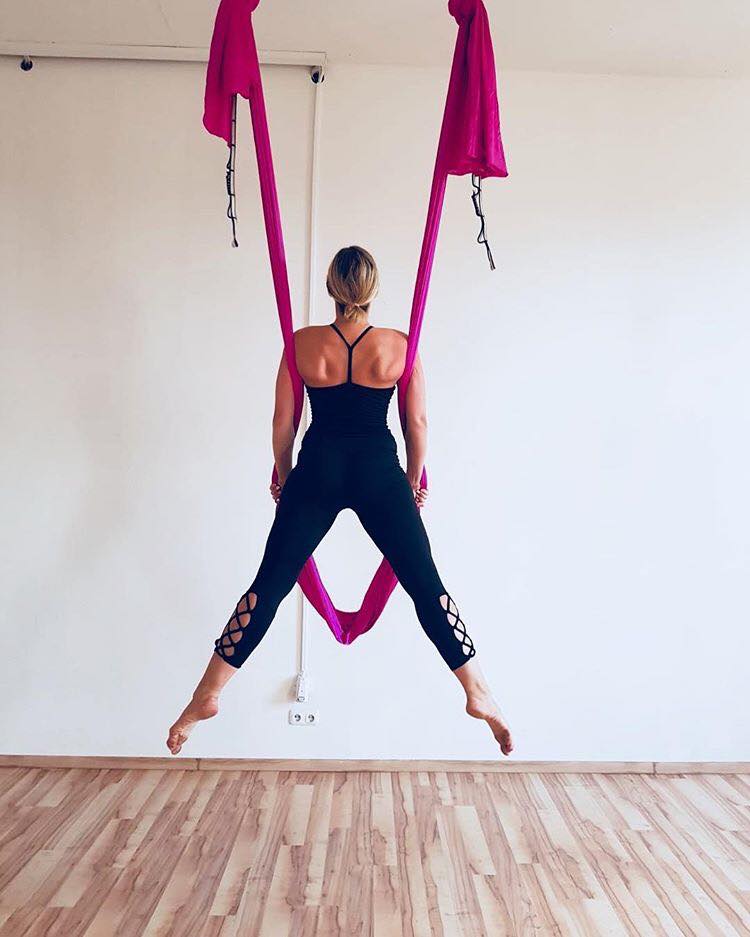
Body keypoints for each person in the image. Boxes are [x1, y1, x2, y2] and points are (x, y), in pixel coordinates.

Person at [168, 246, 512, 756]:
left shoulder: (301, 344)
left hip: (319, 471)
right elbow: (415, 424)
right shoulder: (400, 346)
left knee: (269, 586)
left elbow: (283, 424)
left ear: (331, 287)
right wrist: (414, 482)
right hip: (378, 473)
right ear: (373, 291)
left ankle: (208, 692)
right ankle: (477, 690)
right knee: (426, 586)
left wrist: (286, 480)